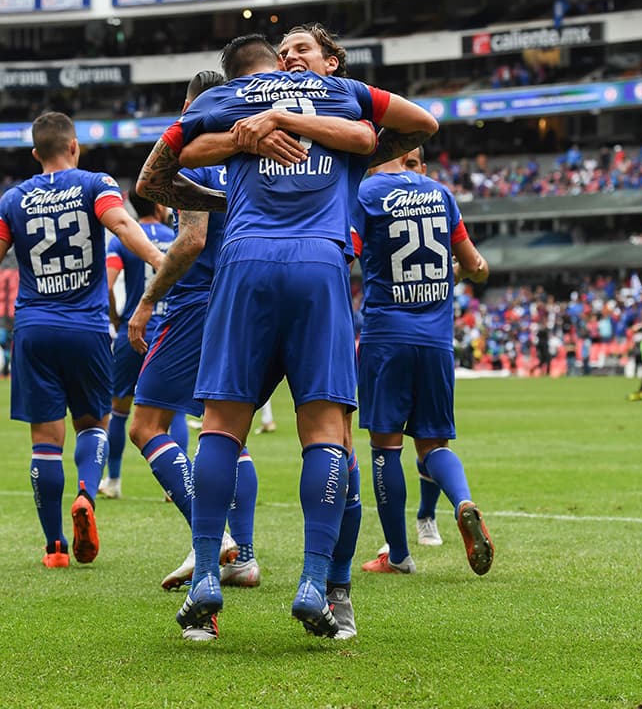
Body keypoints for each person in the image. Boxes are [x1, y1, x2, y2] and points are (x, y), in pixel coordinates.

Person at [138, 34, 439, 640]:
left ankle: (208, 577)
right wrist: (331, 132)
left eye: (302, 46)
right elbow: (422, 123)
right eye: (284, 48)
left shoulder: (238, 96)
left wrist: (261, 127)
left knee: (222, 426)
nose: (291, 54)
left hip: (245, 264)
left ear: (330, 60)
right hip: (318, 267)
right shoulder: (347, 98)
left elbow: (155, 172)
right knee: (327, 434)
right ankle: (315, 584)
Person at [0, 111, 165, 569]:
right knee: (93, 423)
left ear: (36, 154)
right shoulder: (95, 184)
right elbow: (124, 228)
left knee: (44, 443)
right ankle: (87, 493)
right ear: (74, 147)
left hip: (34, 329)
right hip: (87, 329)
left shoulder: (13, 199)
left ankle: (54, 548)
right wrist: (161, 262)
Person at [125, 71, 254, 595]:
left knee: (146, 425)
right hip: (241, 302)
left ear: (187, 104)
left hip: (195, 305)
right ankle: (241, 556)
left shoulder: (196, 150)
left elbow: (192, 238)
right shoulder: (245, 154)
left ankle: (215, 535)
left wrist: (148, 299)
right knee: (227, 432)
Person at [351, 147, 495, 578]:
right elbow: (476, 267)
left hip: (386, 336)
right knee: (433, 445)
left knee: (385, 448)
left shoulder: (365, 193)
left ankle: (398, 556)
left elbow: (346, 254)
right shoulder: (441, 194)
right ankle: (463, 501)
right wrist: (451, 274)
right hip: (436, 340)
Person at [98, 194, 177, 501]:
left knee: (118, 411)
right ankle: (174, 485)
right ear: (160, 206)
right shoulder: (177, 237)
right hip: (170, 331)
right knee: (174, 411)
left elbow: (106, 285)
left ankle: (114, 481)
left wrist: (117, 318)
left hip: (134, 332)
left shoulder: (123, 240)